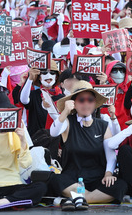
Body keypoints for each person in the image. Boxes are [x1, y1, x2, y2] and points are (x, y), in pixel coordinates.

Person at [49, 80, 127, 210]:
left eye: (90, 100)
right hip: (72, 178)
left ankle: (79, 198)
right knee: (55, 180)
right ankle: (82, 198)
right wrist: (65, 111)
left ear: (95, 103)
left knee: (121, 185)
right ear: (74, 102)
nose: (86, 103)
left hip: (97, 178)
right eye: (81, 100)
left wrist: (108, 173)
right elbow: (53, 132)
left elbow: (110, 154)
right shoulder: (68, 122)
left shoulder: (102, 125)